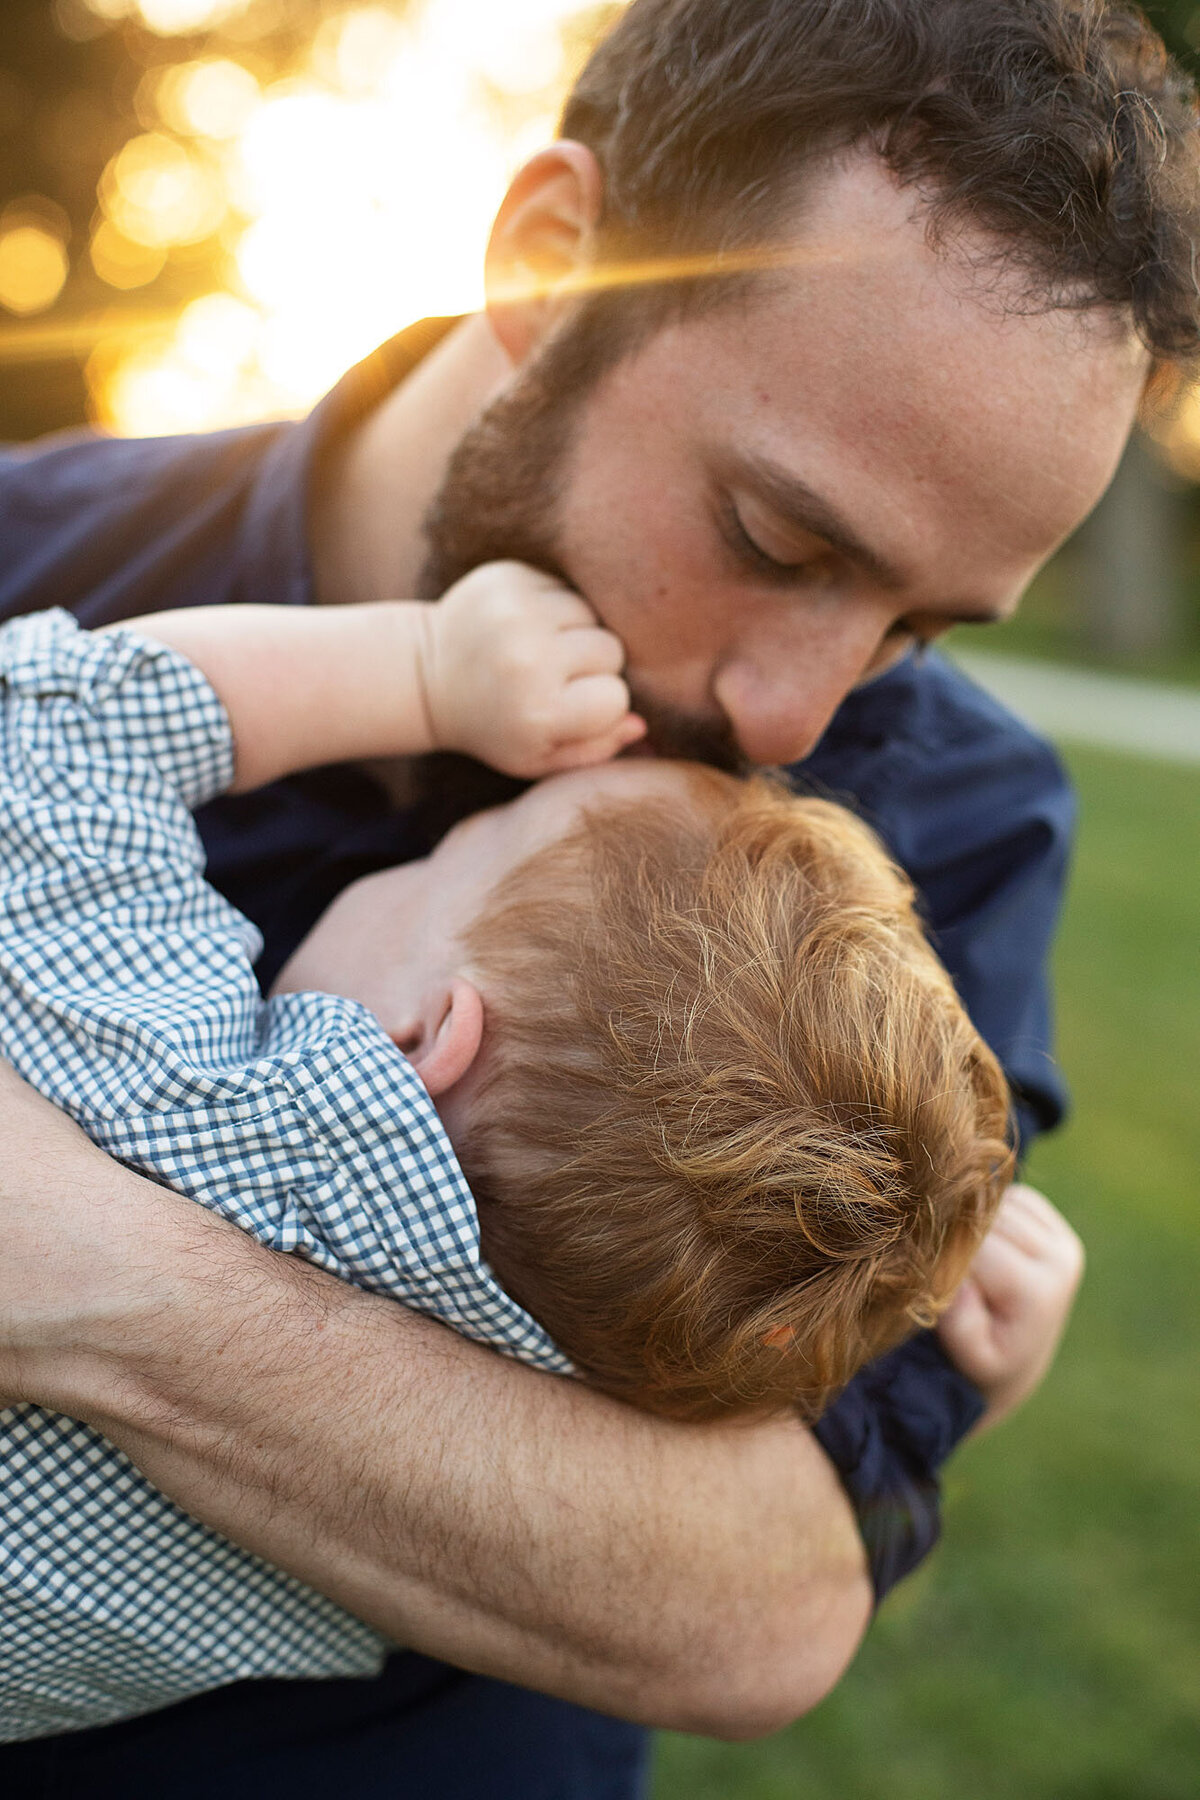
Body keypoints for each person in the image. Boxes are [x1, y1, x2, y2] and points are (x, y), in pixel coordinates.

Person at [0, 0, 1183, 1792]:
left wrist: (90, 1274)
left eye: (920, 629)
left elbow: (759, 1601)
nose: (797, 716)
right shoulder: (42, 568)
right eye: (781, 542)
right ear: (554, 258)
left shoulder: (940, 824)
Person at [0, 589, 1010, 1739]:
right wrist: (972, 1366)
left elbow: (69, 725)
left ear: (430, 1036)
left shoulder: (176, 1082)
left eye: (452, 851)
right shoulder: (477, 1477)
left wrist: (422, 667)